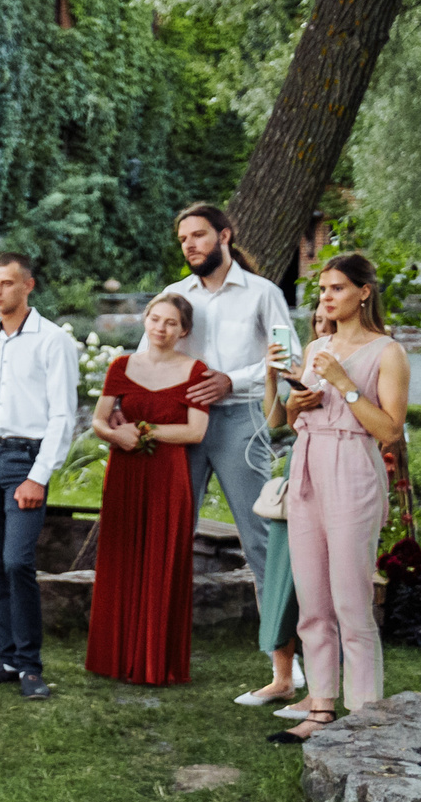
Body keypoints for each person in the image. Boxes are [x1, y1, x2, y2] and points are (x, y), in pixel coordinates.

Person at [271, 254, 410, 743]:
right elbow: (294, 422)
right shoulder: (317, 346)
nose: (326, 297)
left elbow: (390, 432)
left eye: (336, 288)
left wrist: (345, 385)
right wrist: (295, 404)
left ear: (363, 292)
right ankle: (322, 706)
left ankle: (366, 711)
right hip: (308, 464)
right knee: (312, 597)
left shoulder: (386, 352)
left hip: (353, 468)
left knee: (351, 597)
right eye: (323, 290)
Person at [0, 254, 81, 702]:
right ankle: (7, 659)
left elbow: (62, 417)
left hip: (25, 462)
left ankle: (31, 666)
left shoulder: (52, 342)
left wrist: (38, 475)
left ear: (27, 286)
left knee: (18, 562)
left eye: (7, 283)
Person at [83, 294, 212, 686]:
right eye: (155, 319)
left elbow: (195, 431)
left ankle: (156, 660)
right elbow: (99, 421)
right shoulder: (122, 366)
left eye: (171, 323)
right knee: (122, 555)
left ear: (184, 330)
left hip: (167, 474)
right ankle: (115, 657)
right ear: (145, 320)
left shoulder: (196, 371)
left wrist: (142, 431)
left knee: (162, 556)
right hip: (125, 470)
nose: (161, 328)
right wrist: (116, 436)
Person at [164, 203, 291, 594]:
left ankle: (283, 651)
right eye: (183, 239)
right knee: (170, 535)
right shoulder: (173, 295)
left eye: (198, 235)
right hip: (184, 425)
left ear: (224, 235)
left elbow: (289, 358)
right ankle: (161, 649)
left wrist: (230, 382)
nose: (190, 245)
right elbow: (147, 357)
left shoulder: (263, 293)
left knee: (258, 536)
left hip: (241, 424)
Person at [238, 314, 327, 708]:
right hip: (299, 471)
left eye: (330, 321)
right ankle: (282, 678)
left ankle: (322, 688)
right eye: (318, 322)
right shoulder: (310, 359)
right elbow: (278, 424)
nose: (325, 327)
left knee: (320, 585)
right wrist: (275, 376)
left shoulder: (364, 359)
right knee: (280, 574)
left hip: (339, 473)